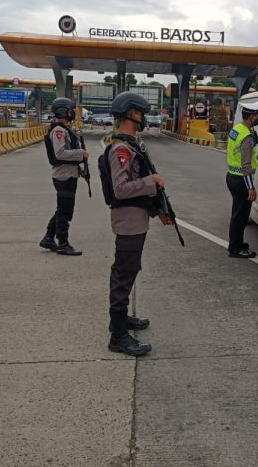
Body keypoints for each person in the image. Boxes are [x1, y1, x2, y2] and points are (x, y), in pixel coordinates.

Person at [102, 91, 172, 356]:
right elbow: (121, 189)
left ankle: (118, 321)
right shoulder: (121, 149)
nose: (143, 118)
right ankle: (118, 336)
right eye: (140, 113)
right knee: (123, 274)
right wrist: (151, 181)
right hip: (128, 221)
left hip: (135, 218)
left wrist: (156, 210)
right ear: (131, 113)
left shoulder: (130, 145)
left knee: (127, 270)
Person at [40, 97, 88, 256]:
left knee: (62, 209)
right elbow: (60, 153)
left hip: (68, 173)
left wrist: (78, 168)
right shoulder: (59, 130)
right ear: (64, 111)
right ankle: (63, 243)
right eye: (71, 110)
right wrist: (81, 154)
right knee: (65, 211)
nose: (73, 113)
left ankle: (48, 237)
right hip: (63, 176)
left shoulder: (65, 129)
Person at [226, 101, 258, 259]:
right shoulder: (246, 137)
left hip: (232, 176)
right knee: (240, 217)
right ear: (252, 117)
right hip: (242, 180)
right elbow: (246, 165)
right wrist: (251, 188)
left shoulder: (237, 129)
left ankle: (238, 244)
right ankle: (235, 248)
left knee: (237, 214)